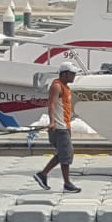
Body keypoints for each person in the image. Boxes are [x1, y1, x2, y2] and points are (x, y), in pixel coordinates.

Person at [34, 62, 82, 192]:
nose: (74, 76)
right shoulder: (57, 86)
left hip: (65, 125)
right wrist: (52, 121)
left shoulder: (66, 87)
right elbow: (52, 104)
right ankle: (67, 184)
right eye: (72, 73)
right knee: (66, 155)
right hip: (59, 127)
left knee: (63, 154)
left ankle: (42, 174)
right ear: (64, 74)